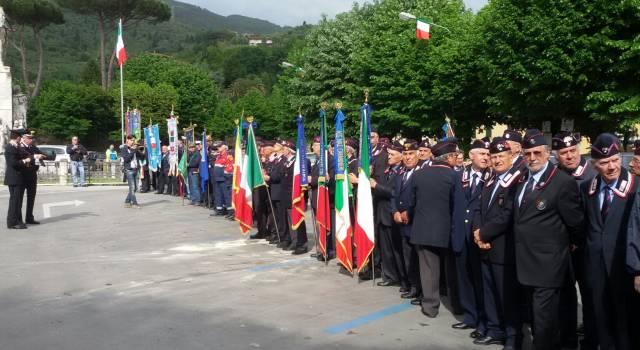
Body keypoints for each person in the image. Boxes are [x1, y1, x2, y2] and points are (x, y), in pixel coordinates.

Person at [513, 129, 583, 350]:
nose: (532, 158)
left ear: (547, 153)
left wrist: (565, 247)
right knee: (537, 318)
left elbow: (576, 224)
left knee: (544, 321)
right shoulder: (524, 180)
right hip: (526, 262)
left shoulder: (562, 182)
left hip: (549, 265)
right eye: (527, 154)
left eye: (537, 153)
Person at [582, 133, 639, 350]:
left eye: (615, 160)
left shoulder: (636, 187)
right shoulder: (586, 188)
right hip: (596, 267)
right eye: (605, 163)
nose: (612, 167)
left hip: (625, 266)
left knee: (627, 322)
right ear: (594, 164)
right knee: (602, 316)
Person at [472, 138, 523, 349]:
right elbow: (478, 208)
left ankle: (513, 337)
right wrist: (477, 233)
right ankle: (495, 330)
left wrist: (484, 233)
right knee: (490, 292)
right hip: (485, 245)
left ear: (511, 156)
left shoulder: (517, 180)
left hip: (503, 247)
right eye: (493, 157)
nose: (497, 160)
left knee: (507, 297)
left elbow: (508, 214)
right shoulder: (491, 179)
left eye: (501, 156)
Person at [552, 131, 597, 349]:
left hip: (586, 248)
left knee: (589, 294)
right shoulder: (555, 175)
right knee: (565, 293)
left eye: (572, 151)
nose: (569, 156)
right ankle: (568, 332)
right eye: (564, 153)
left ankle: (591, 334)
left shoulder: (591, 176)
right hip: (562, 248)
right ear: (556, 155)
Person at [452, 139, 491, 337]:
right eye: (482, 154)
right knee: (464, 278)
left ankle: (484, 320)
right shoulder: (459, 175)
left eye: (487, 154)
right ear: (471, 156)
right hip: (460, 235)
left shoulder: (492, 177)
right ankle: (470, 316)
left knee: (481, 281)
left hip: (479, 238)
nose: (486, 157)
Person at [372, 141, 406, 287]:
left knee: (396, 250)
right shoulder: (388, 169)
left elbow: (394, 193)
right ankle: (390, 276)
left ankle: (402, 278)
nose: (389, 157)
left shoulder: (401, 171)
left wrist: (376, 186)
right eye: (388, 154)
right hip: (382, 214)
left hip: (393, 215)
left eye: (392, 155)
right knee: (386, 250)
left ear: (401, 156)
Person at [391, 140, 421, 302]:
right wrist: (394, 211)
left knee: (416, 257)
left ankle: (418, 287)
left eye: (411, 154)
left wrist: (408, 212)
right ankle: (410, 284)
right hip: (400, 221)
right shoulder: (400, 173)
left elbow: (419, 197)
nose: (408, 157)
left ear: (417, 155)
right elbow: (394, 194)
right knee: (406, 254)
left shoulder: (421, 172)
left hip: (414, 221)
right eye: (406, 154)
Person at [20, 131, 47, 225]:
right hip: (23, 175)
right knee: (19, 199)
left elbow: (42, 154)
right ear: (24, 138)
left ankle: (29, 217)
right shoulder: (20, 147)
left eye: (32, 138)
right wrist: (35, 156)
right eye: (29, 138)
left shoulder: (33, 147)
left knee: (31, 197)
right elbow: (26, 156)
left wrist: (51, 156)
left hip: (32, 174)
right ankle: (19, 220)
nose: (32, 140)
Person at [4, 129, 29, 229]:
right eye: (20, 137)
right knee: (15, 201)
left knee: (16, 200)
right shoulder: (10, 147)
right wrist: (24, 161)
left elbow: (22, 154)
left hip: (16, 177)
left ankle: (17, 221)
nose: (21, 139)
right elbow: (13, 163)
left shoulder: (15, 146)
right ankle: (12, 222)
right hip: (14, 177)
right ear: (17, 137)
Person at [121, 135, 143, 209]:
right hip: (129, 170)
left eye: (134, 140)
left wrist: (138, 150)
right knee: (132, 187)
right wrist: (133, 151)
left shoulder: (134, 148)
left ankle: (127, 202)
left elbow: (142, 157)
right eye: (131, 140)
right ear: (127, 140)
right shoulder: (124, 149)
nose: (133, 142)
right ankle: (134, 203)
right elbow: (126, 159)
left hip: (135, 169)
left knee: (135, 188)